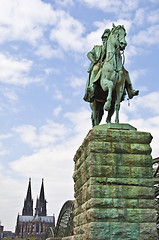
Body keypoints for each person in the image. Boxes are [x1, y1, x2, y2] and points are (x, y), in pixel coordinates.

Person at [83, 28, 110, 102]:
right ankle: (92, 87)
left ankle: (128, 90)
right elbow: (89, 53)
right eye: (104, 37)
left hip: (108, 66)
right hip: (98, 64)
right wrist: (93, 59)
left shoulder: (112, 50)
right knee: (95, 69)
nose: (105, 39)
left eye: (107, 38)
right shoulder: (97, 48)